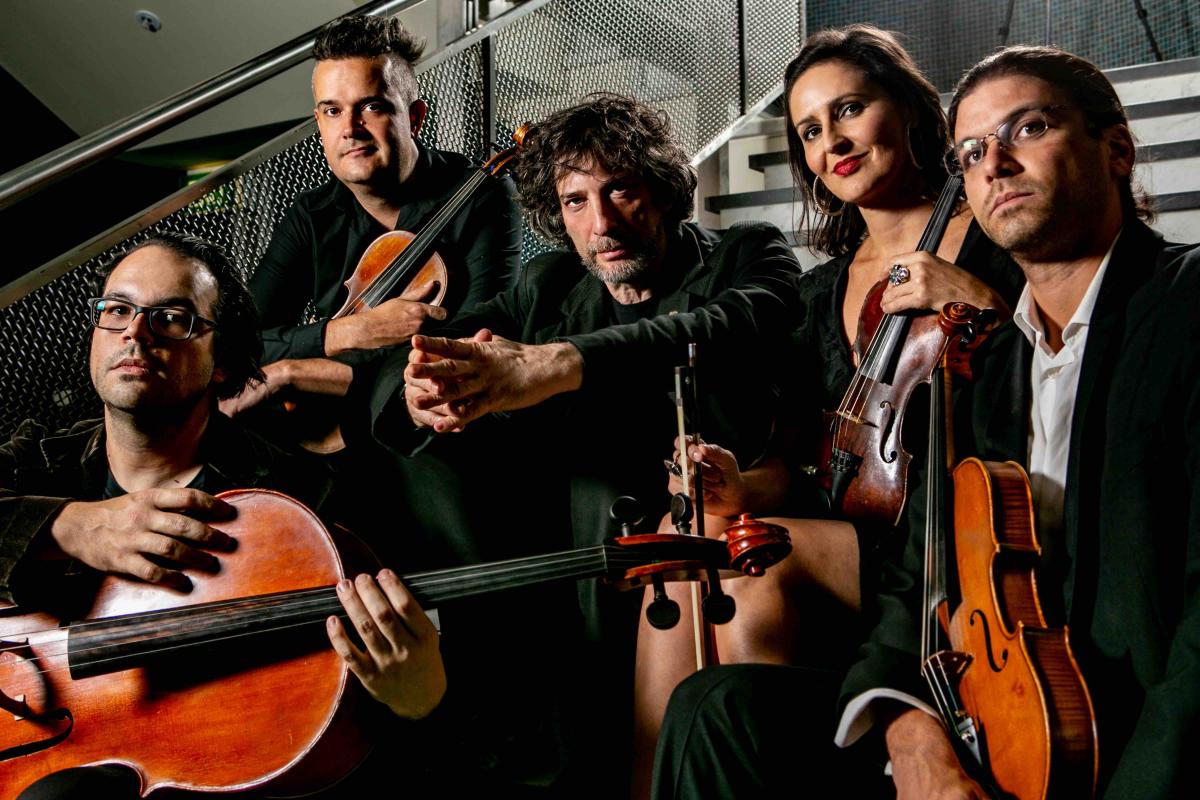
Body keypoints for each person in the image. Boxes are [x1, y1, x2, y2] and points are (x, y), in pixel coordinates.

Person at [655, 44, 1200, 800]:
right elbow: (921, 568)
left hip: (1117, 723)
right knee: (715, 710)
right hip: (989, 698)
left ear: (1117, 150)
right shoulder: (986, 360)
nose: (995, 164)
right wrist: (908, 728)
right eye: (972, 151)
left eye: (1029, 128)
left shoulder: (1182, 304)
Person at [361, 92, 805, 794]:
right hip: (567, 546)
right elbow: (402, 367)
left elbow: (733, 324)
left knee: (593, 481)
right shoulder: (549, 285)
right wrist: (422, 389)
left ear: (662, 191)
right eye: (575, 201)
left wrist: (560, 363)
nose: (602, 224)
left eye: (620, 190)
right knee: (426, 466)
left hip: (700, 516)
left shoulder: (747, 252)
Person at [634, 25, 1024, 797]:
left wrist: (980, 301)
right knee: (684, 556)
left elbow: (1055, 365)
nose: (831, 142)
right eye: (810, 130)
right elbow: (815, 461)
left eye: (849, 109)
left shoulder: (990, 234)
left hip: (946, 529)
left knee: (755, 565)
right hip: (852, 528)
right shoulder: (822, 291)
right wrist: (738, 485)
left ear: (906, 108)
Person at [1, 233, 445, 798]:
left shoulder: (303, 507)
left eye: (172, 319)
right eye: (117, 310)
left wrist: (416, 703)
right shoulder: (38, 460)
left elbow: (348, 733)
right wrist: (68, 526)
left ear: (223, 362)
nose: (135, 332)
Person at [230, 14, 520, 433]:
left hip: (437, 431)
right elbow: (237, 344)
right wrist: (346, 333)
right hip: (320, 429)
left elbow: (471, 351)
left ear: (415, 117)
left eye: (372, 107)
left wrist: (294, 370)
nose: (350, 129)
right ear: (319, 124)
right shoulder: (311, 215)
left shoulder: (482, 197)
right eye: (333, 111)